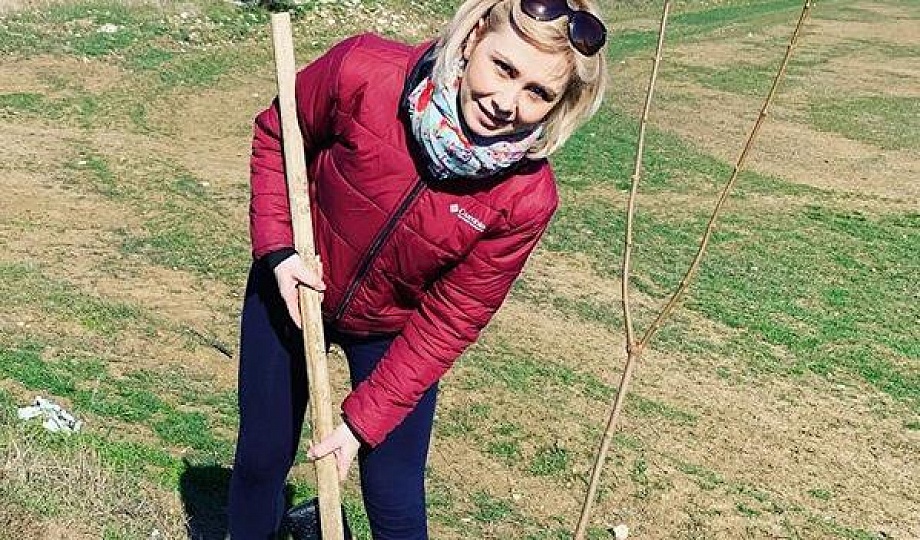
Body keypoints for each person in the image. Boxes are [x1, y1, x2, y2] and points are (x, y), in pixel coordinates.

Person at [228, 0, 608, 537]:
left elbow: (452, 318)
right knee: (262, 459)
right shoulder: (363, 71)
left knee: (395, 498)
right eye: (503, 68)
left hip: (393, 329)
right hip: (293, 285)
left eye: (538, 93)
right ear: (474, 37)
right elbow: (277, 134)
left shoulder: (526, 199)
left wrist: (361, 424)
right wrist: (280, 252)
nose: (507, 103)